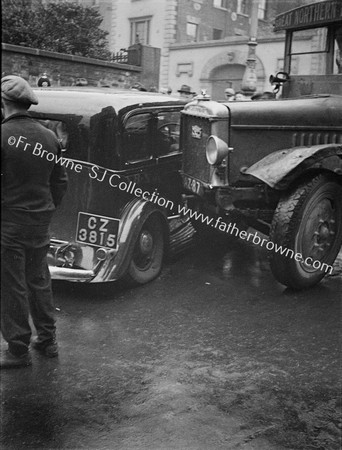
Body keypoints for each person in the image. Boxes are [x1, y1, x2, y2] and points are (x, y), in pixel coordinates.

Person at [1, 75, 68, 369]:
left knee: (11, 285)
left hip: (10, 222)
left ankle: (17, 350)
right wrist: (46, 209)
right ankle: (48, 340)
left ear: (4, 103)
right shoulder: (49, 137)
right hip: (40, 220)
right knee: (39, 279)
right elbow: (60, 182)